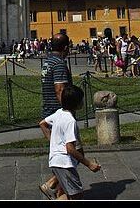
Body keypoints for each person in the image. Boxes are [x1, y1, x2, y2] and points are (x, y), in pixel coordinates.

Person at [39, 84, 100, 200]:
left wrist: (53, 141)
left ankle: (51, 187)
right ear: (76, 103)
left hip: (54, 160)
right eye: (82, 99)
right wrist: (89, 164)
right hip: (64, 163)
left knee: (67, 193)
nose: (83, 101)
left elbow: (42, 123)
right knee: (76, 196)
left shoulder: (59, 113)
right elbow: (70, 148)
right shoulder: (70, 121)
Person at [38, 32, 72, 198]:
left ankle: (60, 193)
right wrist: (67, 112)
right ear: (66, 48)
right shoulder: (58, 64)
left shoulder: (47, 63)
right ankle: (51, 184)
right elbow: (60, 90)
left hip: (49, 112)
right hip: (58, 114)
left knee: (62, 156)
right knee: (73, 153)